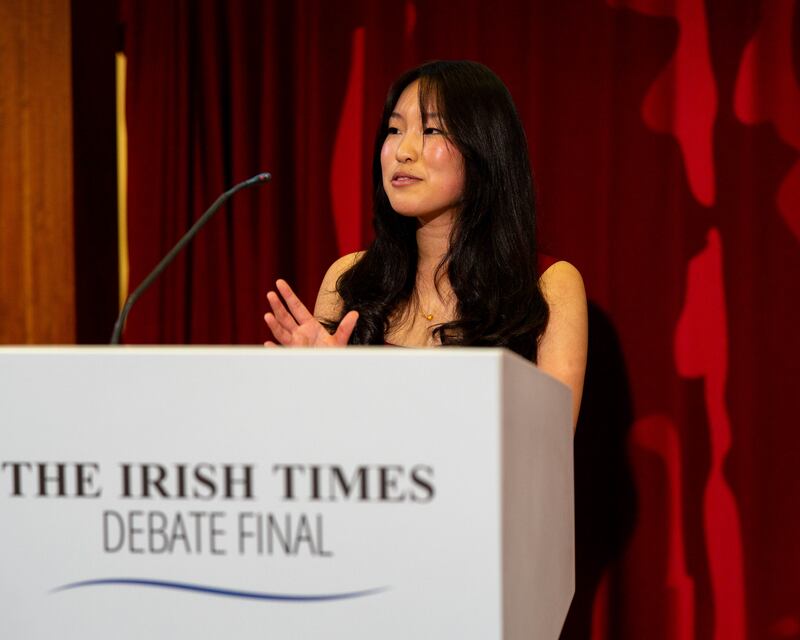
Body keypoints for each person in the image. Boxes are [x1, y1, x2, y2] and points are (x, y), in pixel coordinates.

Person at [264, 60, 587, 428]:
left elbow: (548, 444)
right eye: (394, 129)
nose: (403, 150)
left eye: (431, 130)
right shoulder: (350, 277)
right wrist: (314, 392)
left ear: (485, 148)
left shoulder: (549, 284)